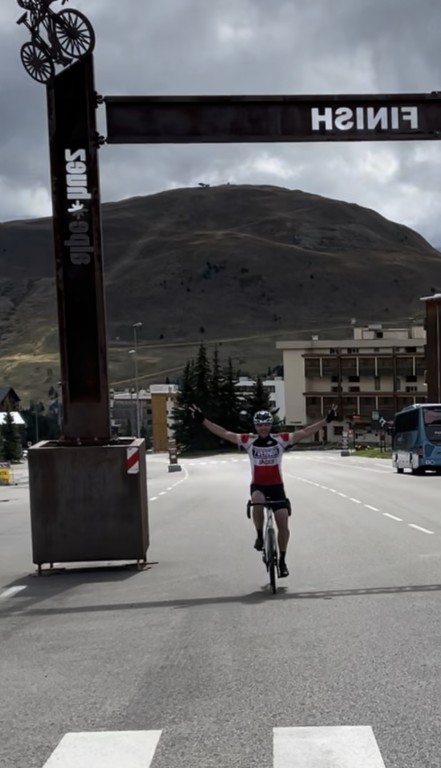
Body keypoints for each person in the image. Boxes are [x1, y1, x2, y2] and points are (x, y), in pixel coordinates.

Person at [189, 403, 337, 577]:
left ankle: (282, 561)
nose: (263, 428)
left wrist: (326, 420)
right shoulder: (249, 441)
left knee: (283, 523)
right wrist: (203, 421)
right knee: (257, 501)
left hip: (277, 487)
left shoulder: (281, 439)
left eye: (266, 424)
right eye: (260, 425)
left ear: (270, 425)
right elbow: (224, 433)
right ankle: (259, 535)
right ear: (256, 426)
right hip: (258, 485)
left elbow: (305, 432)